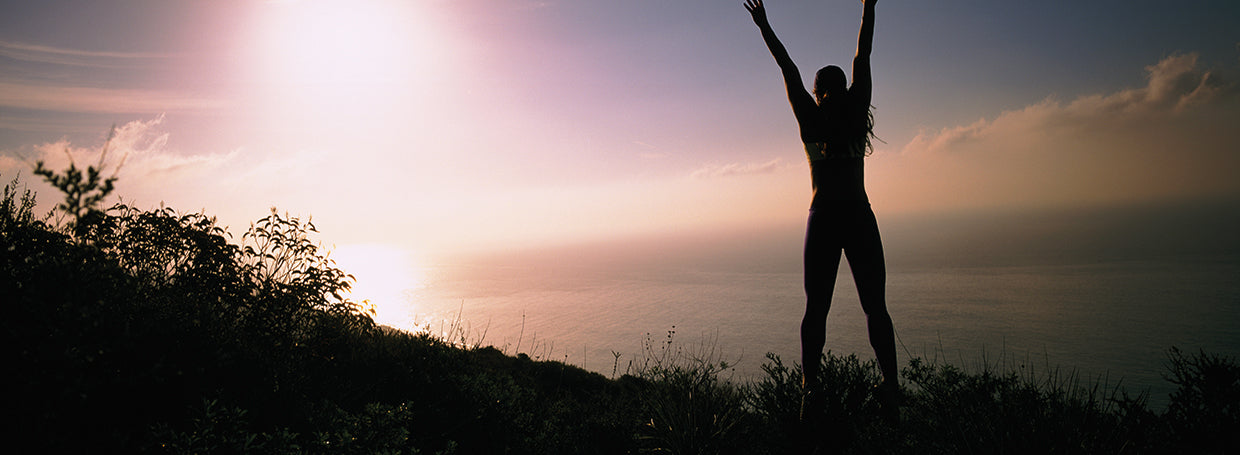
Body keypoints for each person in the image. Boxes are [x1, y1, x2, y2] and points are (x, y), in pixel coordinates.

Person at [744, 0, 898, 423]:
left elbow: (786, 67)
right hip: (858, 216)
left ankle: (808, 388)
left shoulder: (810, 120)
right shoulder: (855, 110)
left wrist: (764, 24)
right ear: (847, 88)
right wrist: (869, 4)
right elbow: (863, 52)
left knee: (816, 310)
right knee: (876, 308)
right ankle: (892, 386)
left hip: (823, 218)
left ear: (814, 92)